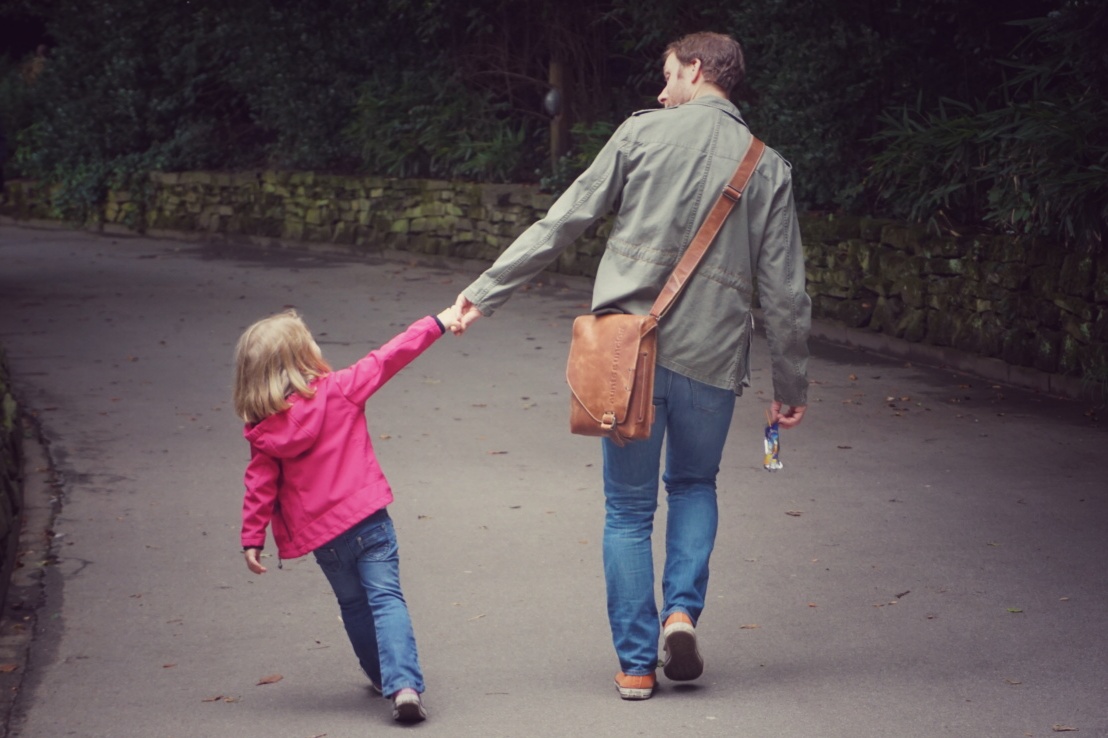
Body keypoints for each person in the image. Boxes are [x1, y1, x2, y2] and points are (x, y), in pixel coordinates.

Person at [452, 32, 810, 700]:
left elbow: (565, 221)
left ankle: (637, 667)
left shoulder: (641, 135)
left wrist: (485, 291)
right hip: (711, 358)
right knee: (696, 486)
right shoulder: (768, 166)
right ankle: (681, 612)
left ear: (698, 70)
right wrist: (789, 384)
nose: (661, 90)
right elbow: (786, 291)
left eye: (669, 76)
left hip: (625, 358)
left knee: (626, 511)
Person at [234, 306, 460, 723]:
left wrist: (252, 538)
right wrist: (438, 321)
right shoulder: (339, 389)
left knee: (354, 604)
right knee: (387, 598)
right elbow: (391, 355)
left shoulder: (265, 429)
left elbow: (259, 484)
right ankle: (404, 686)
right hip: (368, 519)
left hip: (324, 537)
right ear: (304, 355)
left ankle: (380, 677)